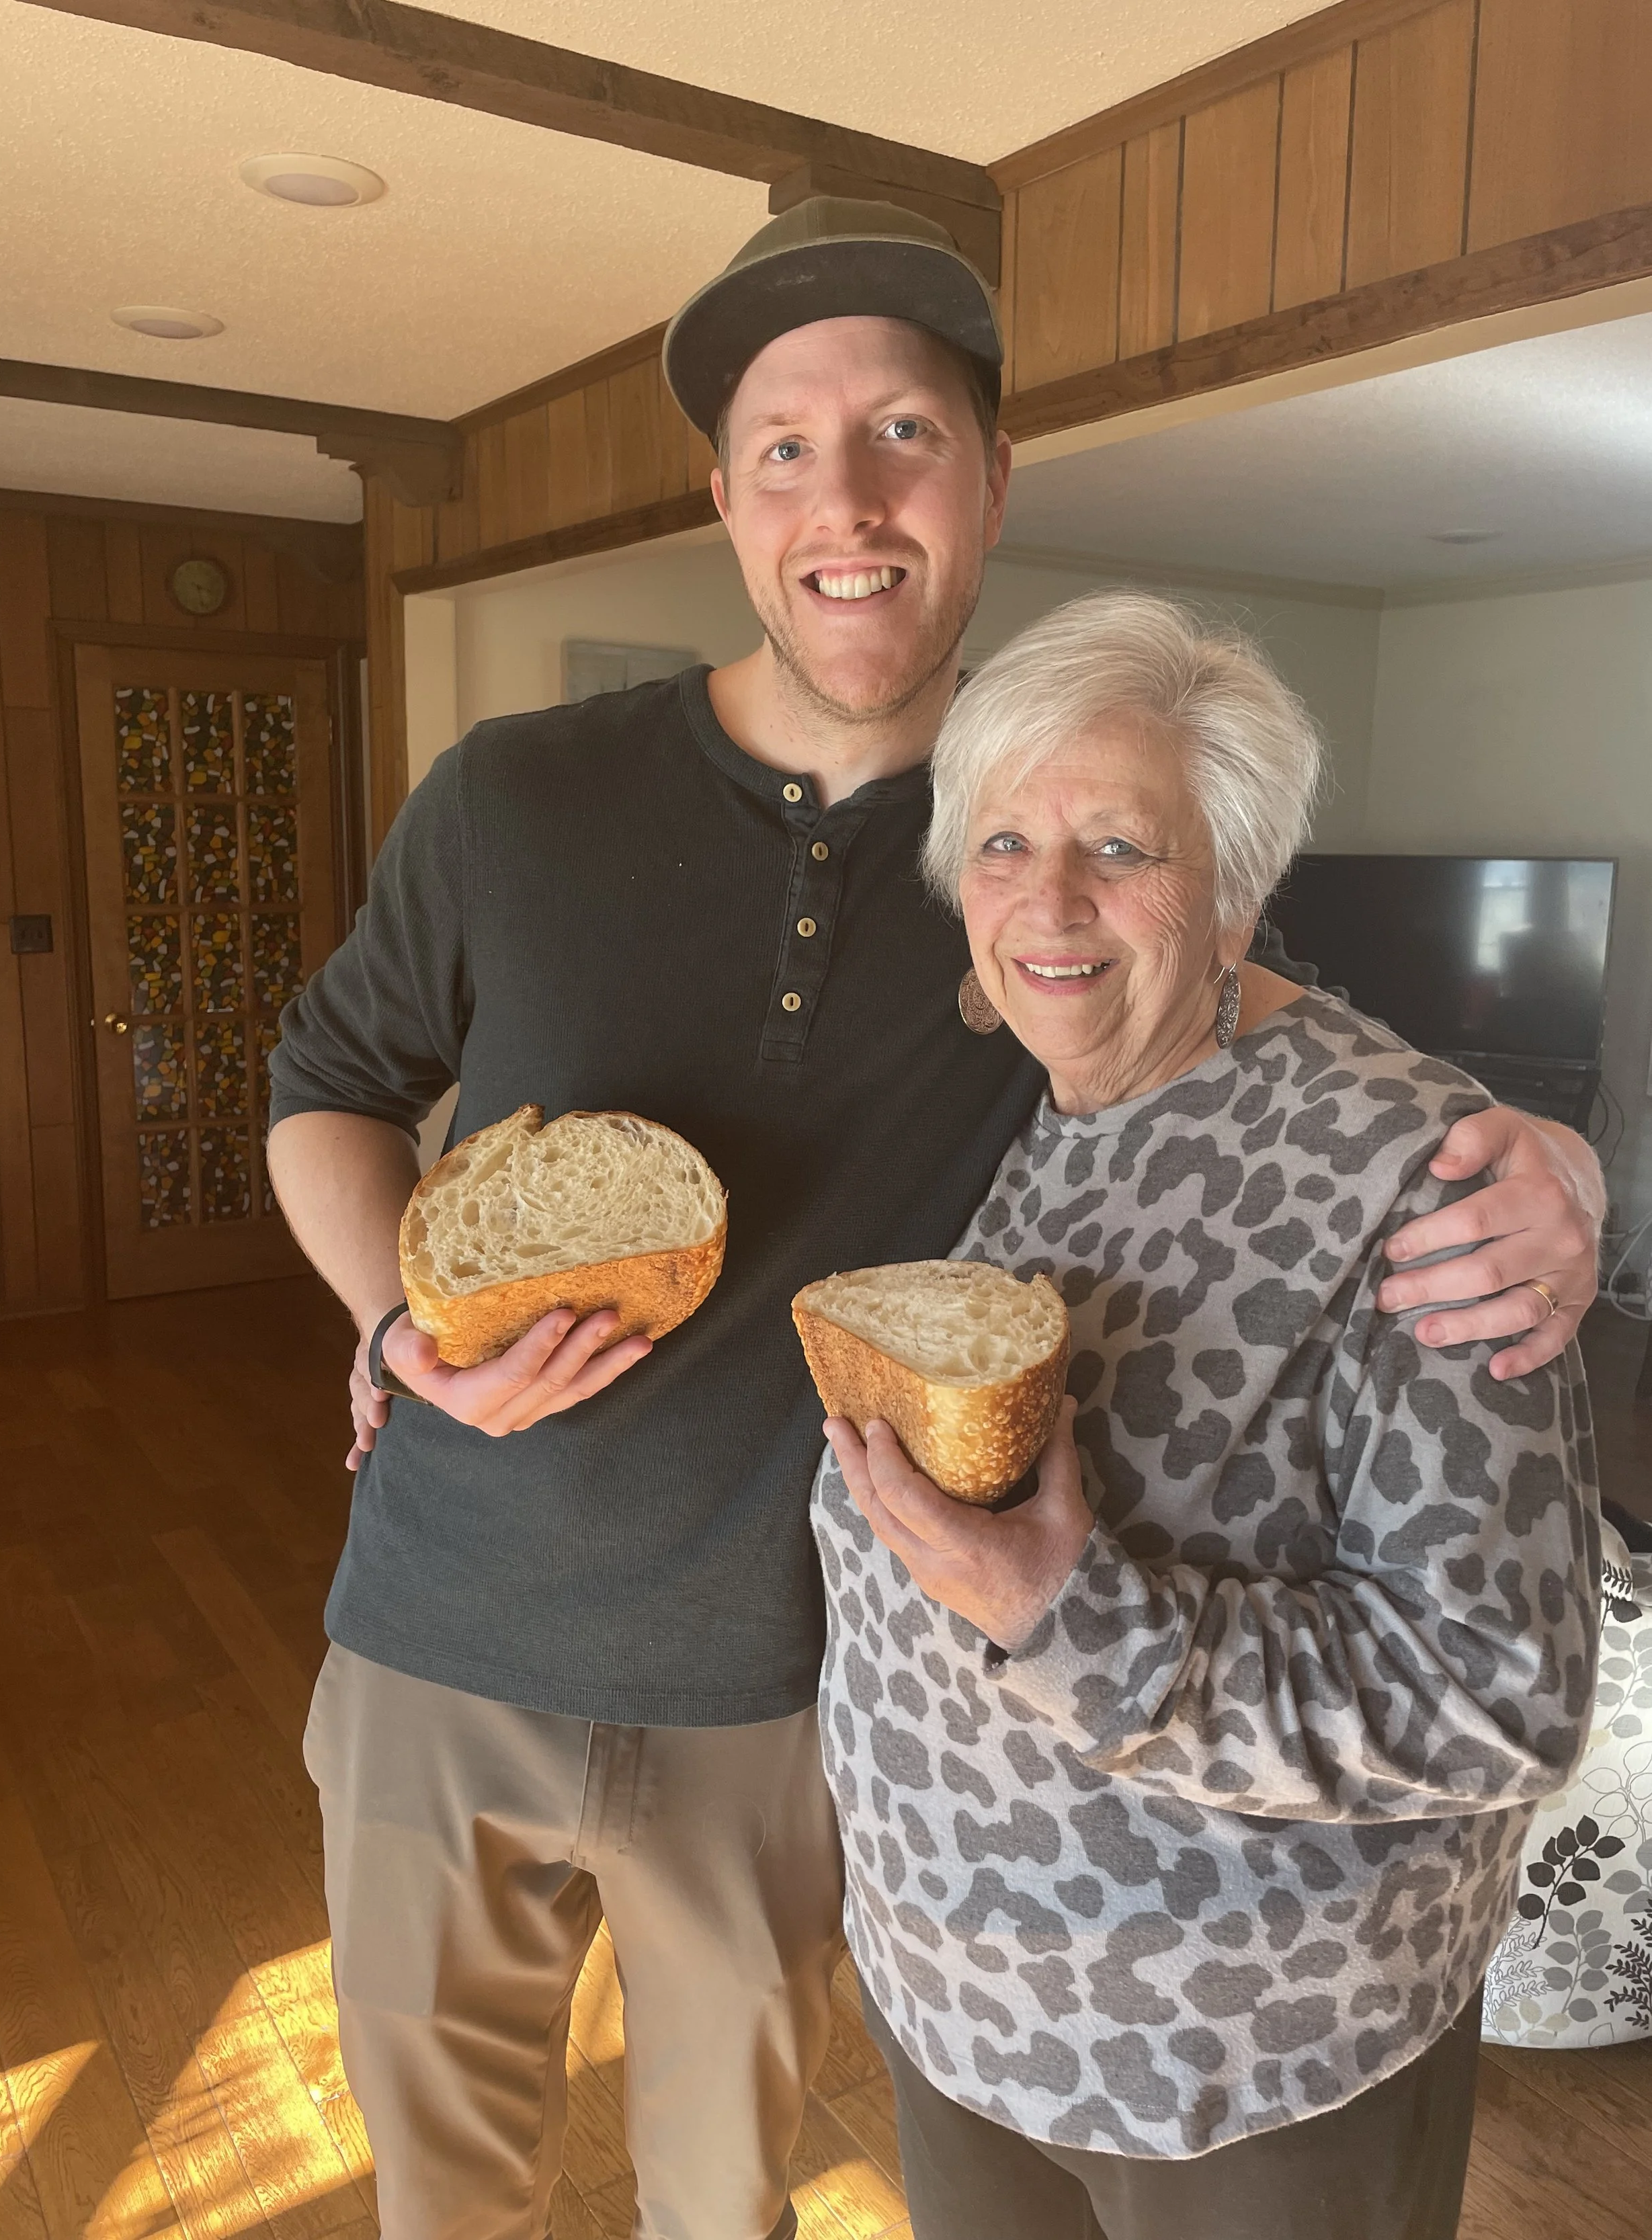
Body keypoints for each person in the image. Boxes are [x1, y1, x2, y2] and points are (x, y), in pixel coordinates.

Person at [265, 199, 1604, 2240]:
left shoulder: (1041, 834)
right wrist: (389, 1332)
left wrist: (1570, 1167)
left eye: (902, 432)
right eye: (786, 447)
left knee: (726, 2203)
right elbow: (322, 1090)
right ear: (723, 495)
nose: (847, 500)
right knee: (438, 2199)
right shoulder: (513, 792)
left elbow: (1257, 1027)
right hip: (436, 1635)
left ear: (990, 479)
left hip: (778, 1696)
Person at [817, 589, 1602, 2240]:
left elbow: (1500, 1694)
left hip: (1242, 2071)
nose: (1049, 899)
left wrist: (1065, 1618)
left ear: (1235, 891)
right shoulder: (1019, 1094)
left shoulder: (1421, 1182)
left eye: (1120, 847)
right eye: (1005, 843)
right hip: (961, 2016)